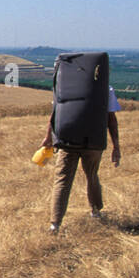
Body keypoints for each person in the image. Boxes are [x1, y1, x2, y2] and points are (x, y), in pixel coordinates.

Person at [41, 84, 121, 232]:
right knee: (92, 175)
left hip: (68, 141)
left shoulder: (63, 84)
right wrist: (116, 146)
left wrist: (48, 137)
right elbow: (111, 119)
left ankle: (55, 224)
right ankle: (95, 211)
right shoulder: (105, 88)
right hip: (94, 141)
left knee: (62, 180)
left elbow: (55, 114)